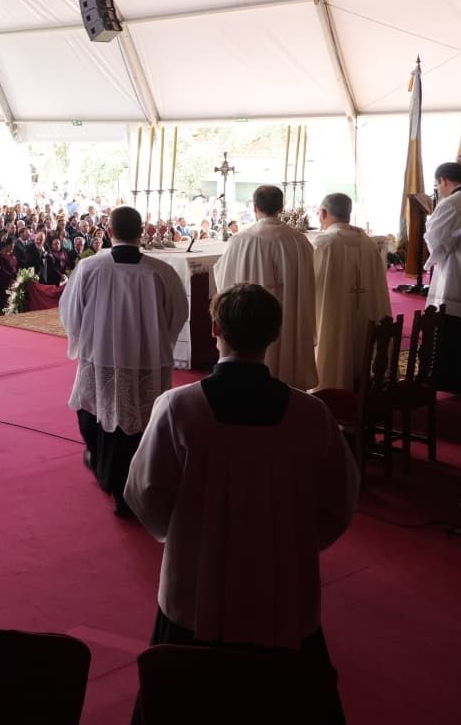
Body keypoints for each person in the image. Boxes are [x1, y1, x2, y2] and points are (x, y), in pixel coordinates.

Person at [125, 283, 356, 723]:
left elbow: (145, 493)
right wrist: (296, 542)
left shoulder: (178, 407)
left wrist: (184, 536)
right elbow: (340, 501)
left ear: (214, 328)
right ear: (274, 335)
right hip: (284, 592)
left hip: (195, 592)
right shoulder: (312, 415)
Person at [60, 206, 187, 516]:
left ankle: (110, 475)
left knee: (95, 415)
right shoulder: (161, 271)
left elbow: (70, 312)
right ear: (141, 231)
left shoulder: (90, 267)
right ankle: (131, 484)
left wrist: (86, 338)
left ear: (109, 231)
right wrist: (157, 341)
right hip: (148, 360)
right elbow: (177, 314)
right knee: (140, 424)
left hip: (100, 357)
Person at [212, 185, 317, 389]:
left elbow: (224, 281)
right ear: (281, 206)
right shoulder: (299, 241)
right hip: (290, 322)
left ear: (254, 207)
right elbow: (308, 288)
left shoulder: (241, 241)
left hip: (249, 321)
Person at [309, 193, 392, 392]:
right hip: (367, 317)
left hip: (334, 319)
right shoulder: (368, 242)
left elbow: (311, 286)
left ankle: (330, 387)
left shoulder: (324, 244)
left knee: (334, 341)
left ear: (323, 213)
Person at [426, 161, 461, 394]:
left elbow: (437, 240)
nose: (439, 190)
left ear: (444, 181)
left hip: (459, 275)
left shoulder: (454, 203)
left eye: (438, 185)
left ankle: (452, 380)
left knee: (455, 326)